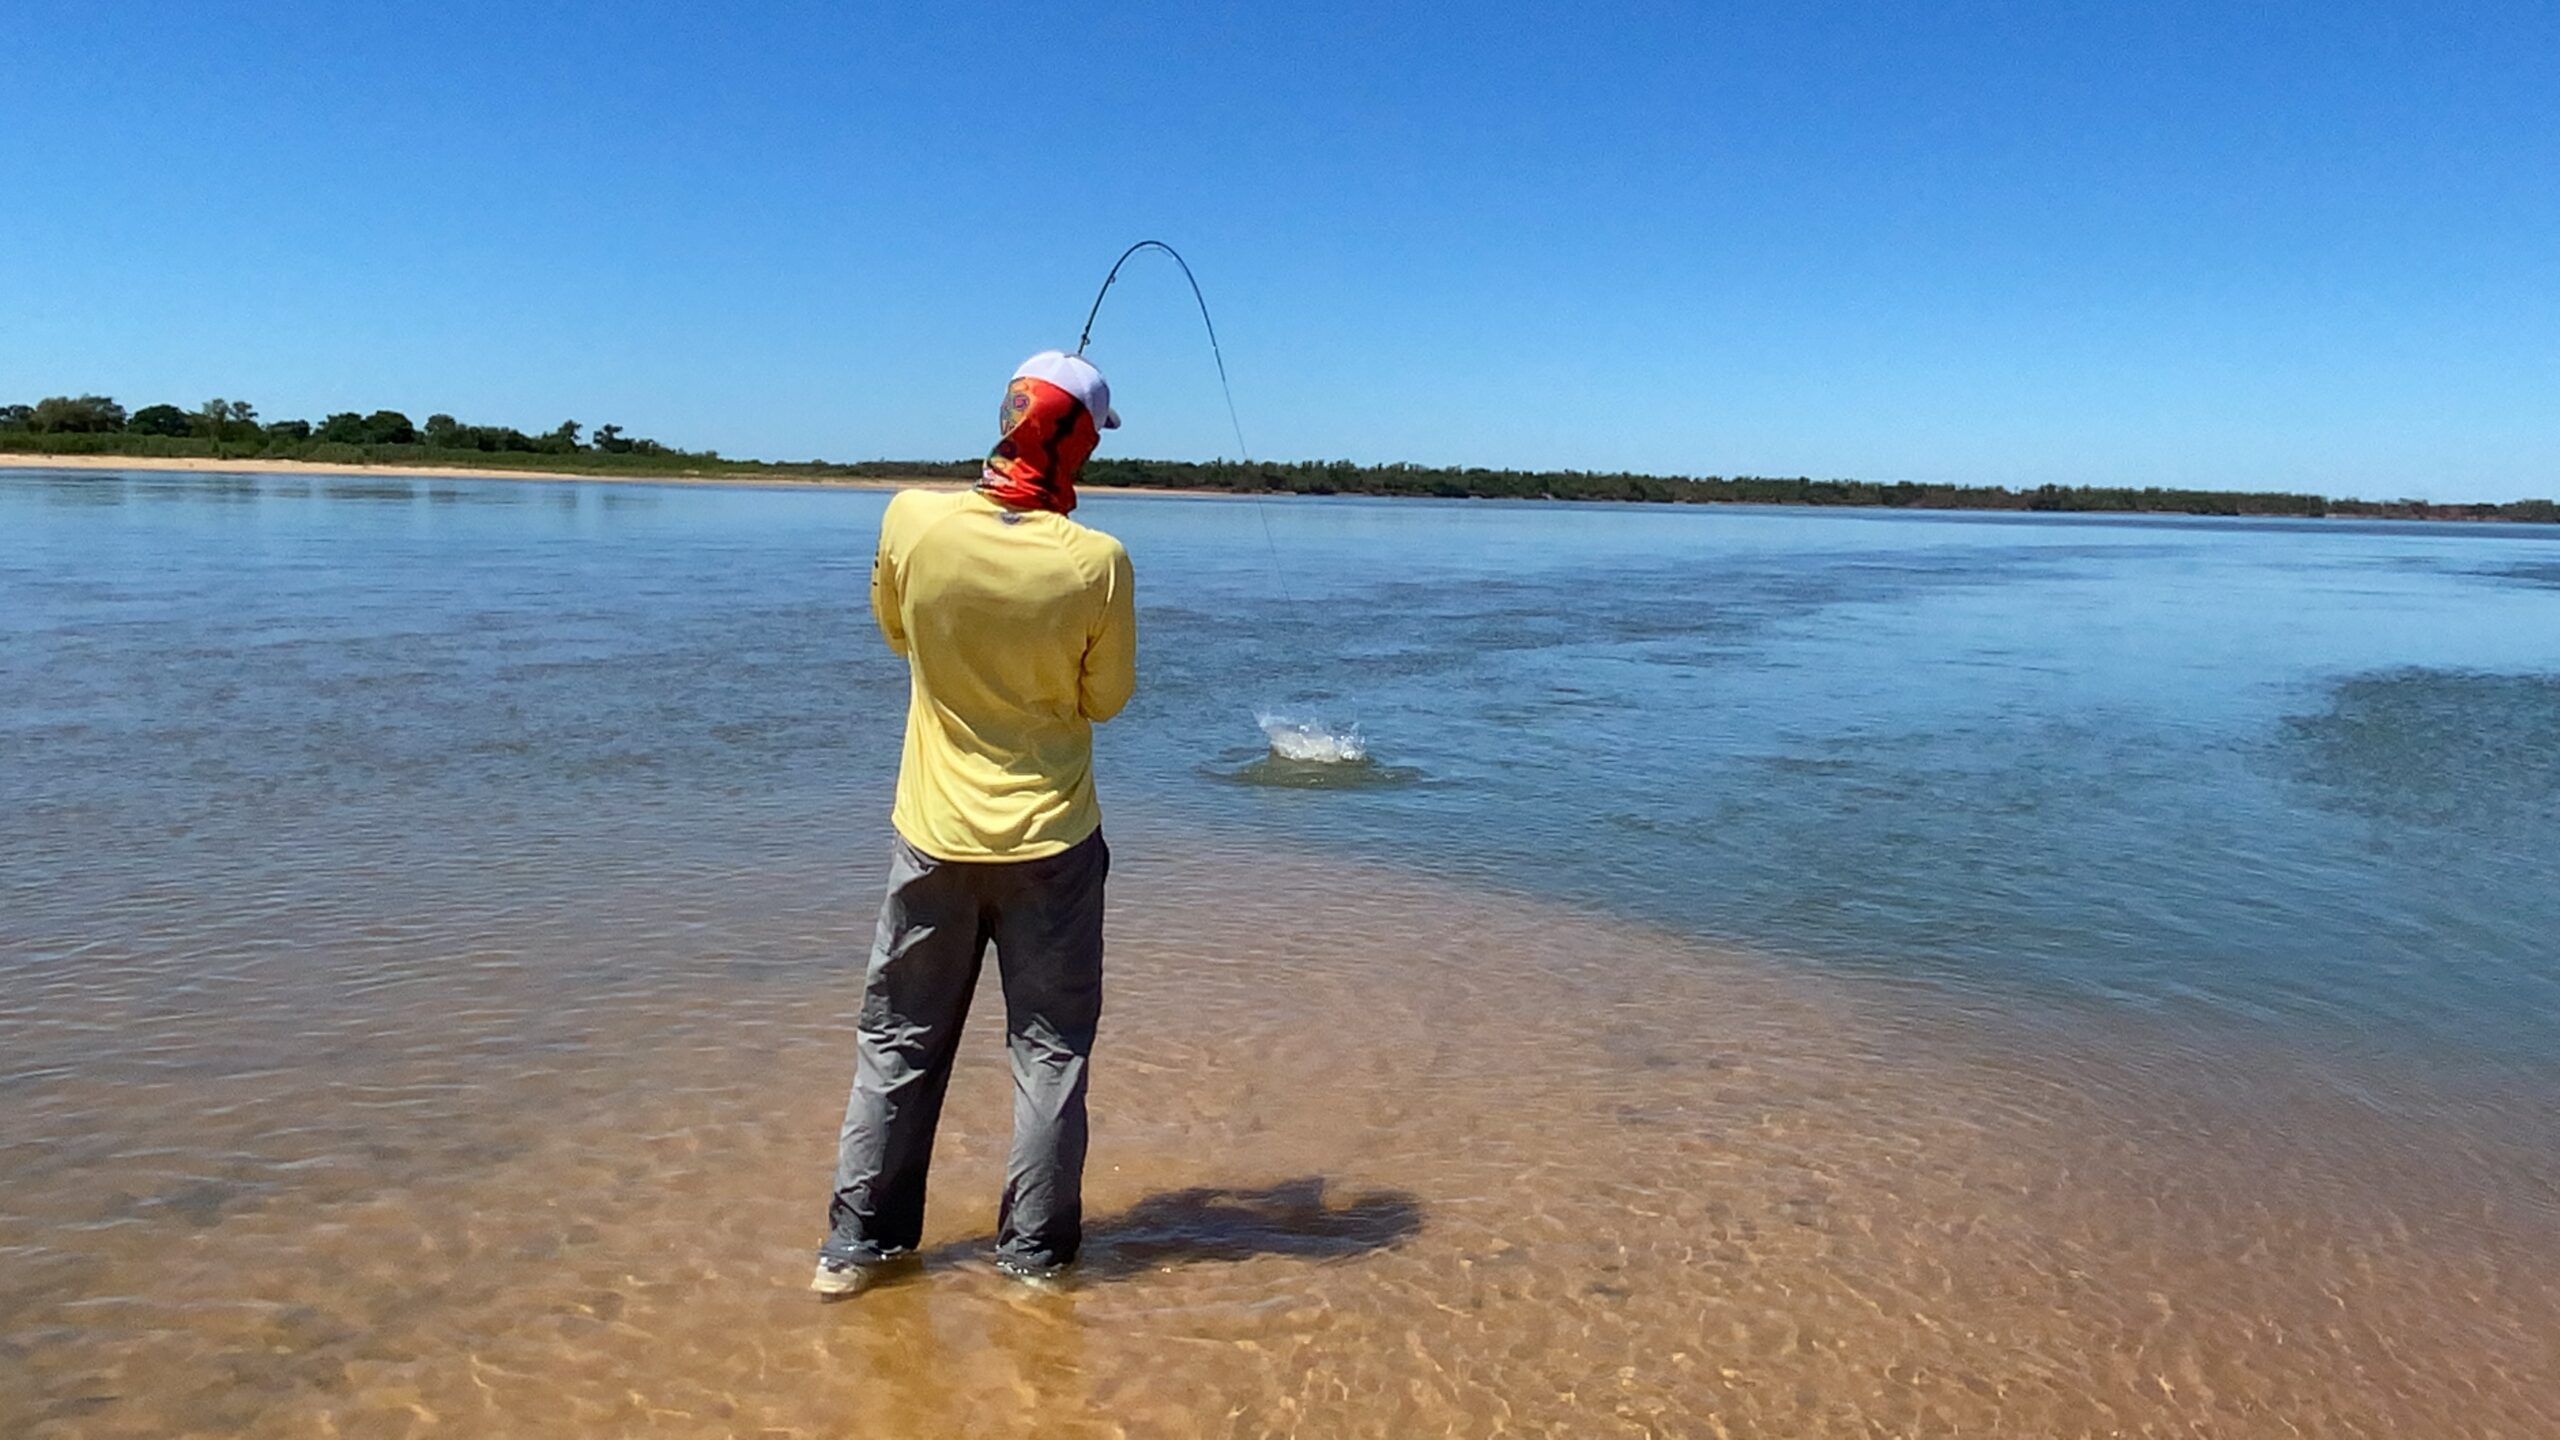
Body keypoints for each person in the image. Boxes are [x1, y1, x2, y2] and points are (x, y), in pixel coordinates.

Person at [813, 350, 1137, 1296]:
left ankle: (857, 1249)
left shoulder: (911, 520)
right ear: (1074, 440)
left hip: (931, 839)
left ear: (1009, 415)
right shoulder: (1098, 563)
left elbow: (896, 630)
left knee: (897, 1042)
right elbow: (1105, 701)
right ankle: (1034, 1264)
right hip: (1053, 847)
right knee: (1050, 1056)